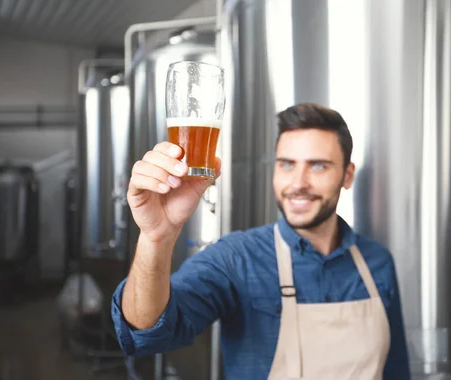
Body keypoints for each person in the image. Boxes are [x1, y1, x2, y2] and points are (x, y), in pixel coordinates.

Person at [111, 103, 411, 379]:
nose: (298, 183)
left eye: (318, 165)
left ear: (347, 176)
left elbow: (395, 371)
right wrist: (156, 238)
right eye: (287, 164)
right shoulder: (236, 258)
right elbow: (146, 332)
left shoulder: (376, 262)